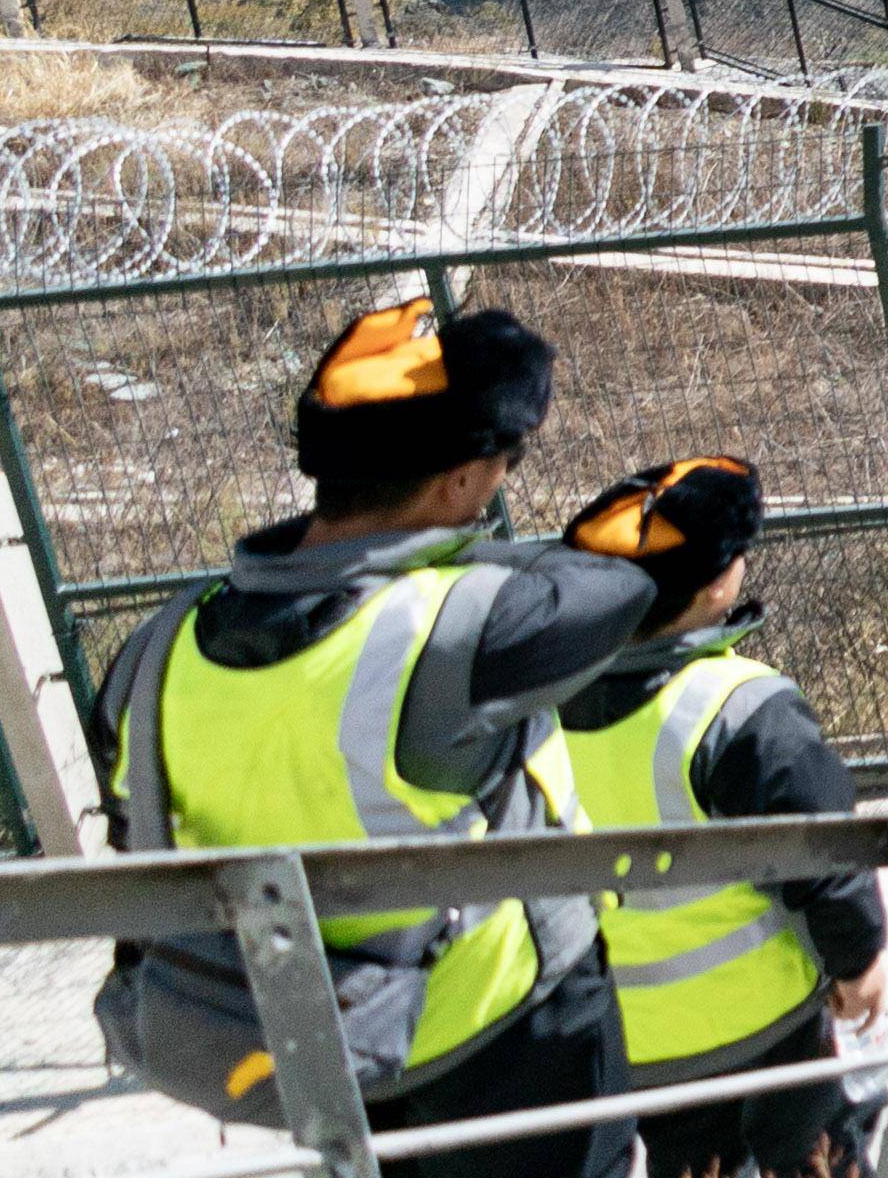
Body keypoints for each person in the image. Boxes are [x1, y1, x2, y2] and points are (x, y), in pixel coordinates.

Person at [91, 301, 654, 1178]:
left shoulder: (153, 650)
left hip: (307, 1042)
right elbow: (616, 586)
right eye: (503, 463)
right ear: (463, 481)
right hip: (501, 1038)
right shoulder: (464, 627)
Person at [549, 461, 886, 1178]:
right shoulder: (739, 707)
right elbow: (824, 853)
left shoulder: (546, 711)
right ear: (718, 584)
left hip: (641, 1042)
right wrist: (859, 958)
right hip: (770, 1026)